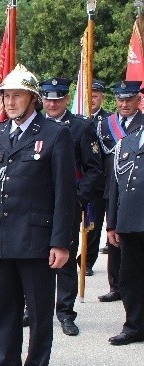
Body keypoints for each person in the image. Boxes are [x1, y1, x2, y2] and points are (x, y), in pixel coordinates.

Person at [0, 64, 76, 366]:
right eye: (6, 95)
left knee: (39, 311)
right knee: (5, 310)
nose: (10, 101)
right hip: (0, 237)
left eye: (17, 95)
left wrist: (62, 242)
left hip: (36, 239)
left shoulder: (55, 134)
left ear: (33, 98)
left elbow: (65, 194)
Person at [40, 77, 102, 336]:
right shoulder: (34, 126)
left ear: (66, 99)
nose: (52, 103)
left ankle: (65, 312)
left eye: (57, 98)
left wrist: (76, 198)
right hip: (37, 205)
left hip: (66, 206)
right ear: (41, 99)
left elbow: (94, 170)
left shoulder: (81, 128)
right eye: (48, 98)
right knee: (35, 259)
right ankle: (34, 310)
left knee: (64, 258)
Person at [96, 81, 144, 303]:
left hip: (135, 195)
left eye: (129, 99)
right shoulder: (106, 125)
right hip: (111, 187)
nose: (124, 104)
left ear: (138, 101)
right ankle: (115, 285)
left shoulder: (140, 125)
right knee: (115, 239)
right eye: (120, 99)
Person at [105, 109, 144, 346]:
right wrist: (112, 224)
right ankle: (134, 326)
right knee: (130, 278)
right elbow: (115, 185)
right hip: (129, 221)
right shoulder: (127, 141)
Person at [85, 79, 110, 267]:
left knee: (94, 223)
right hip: (79, 178)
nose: (91, 99)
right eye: (89, 95)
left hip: (100, 180)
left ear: (102, 97)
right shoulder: (76, 116)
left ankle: (87, 261)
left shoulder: (109, 121)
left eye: (95, 96)